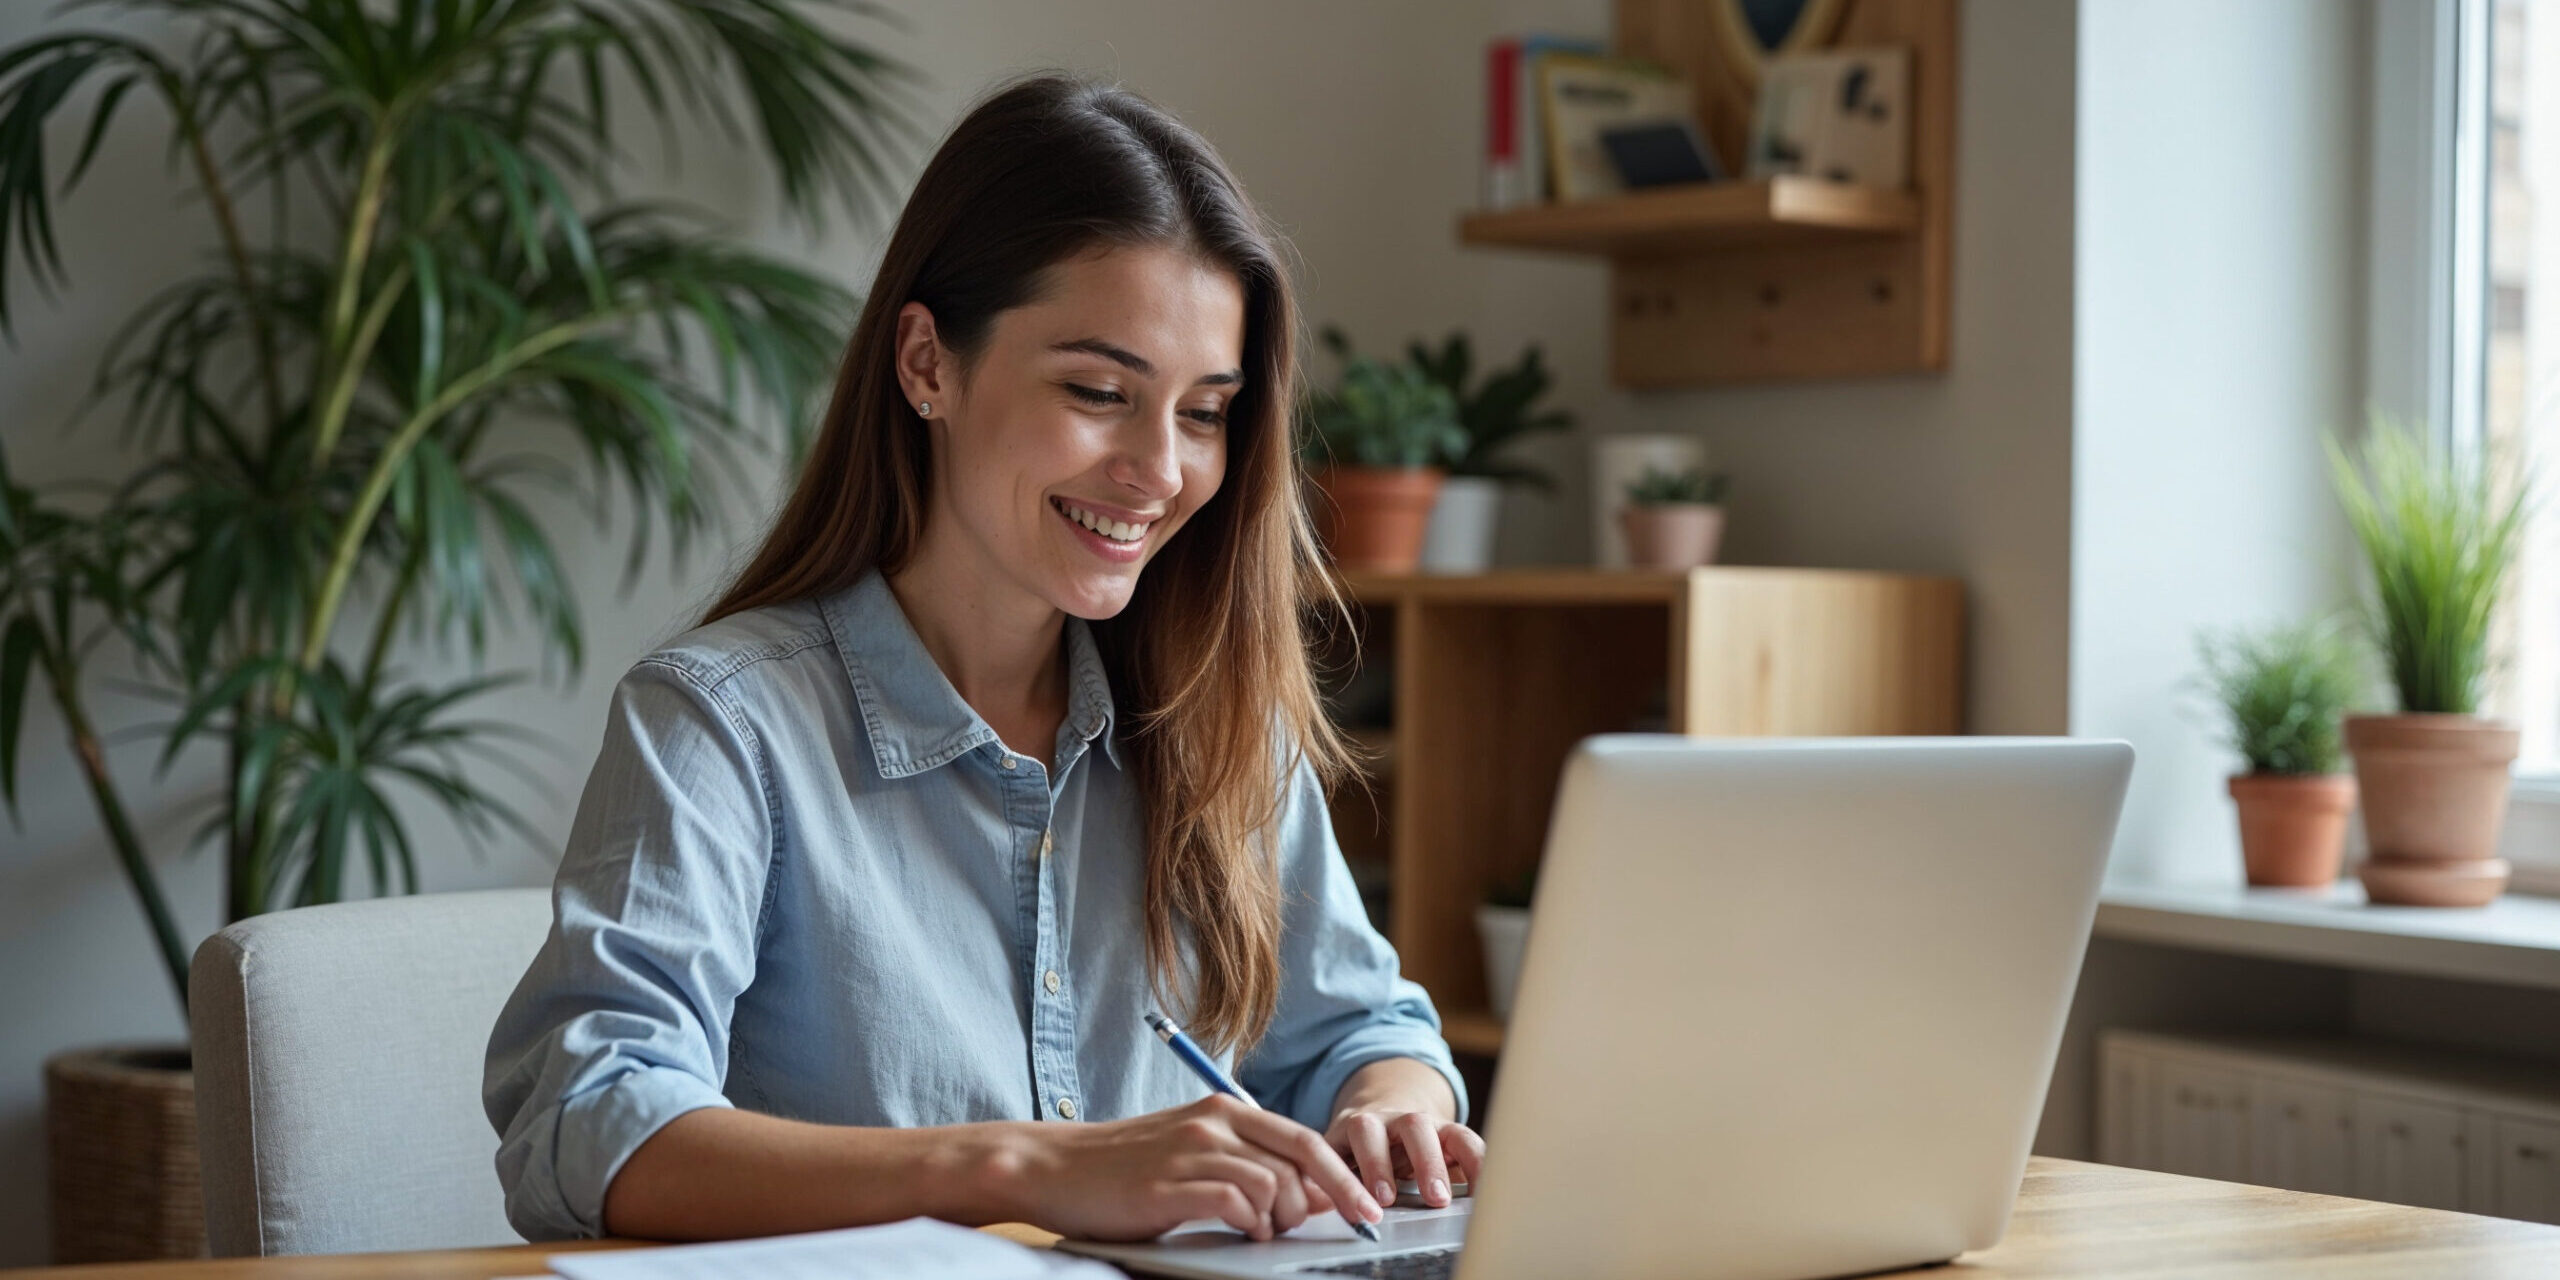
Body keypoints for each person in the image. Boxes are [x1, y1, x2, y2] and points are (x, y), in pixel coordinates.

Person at [482, 71, 1482, 1247]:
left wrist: (1390, 1107)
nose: (1160, 469)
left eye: (1205, 412)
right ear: (926, 364)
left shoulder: (1218, 726)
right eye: (1099, 391)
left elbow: (1367, 1034)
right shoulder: (721, 726)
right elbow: (589, 1122)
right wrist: (1024, 1166)